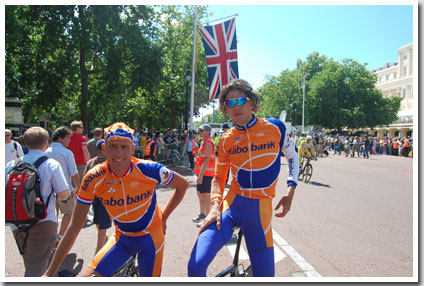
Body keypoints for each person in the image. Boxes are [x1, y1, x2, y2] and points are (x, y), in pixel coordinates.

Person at [43, 122, 189, 277]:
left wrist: (164, 218)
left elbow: (183, 185)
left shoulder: (150, 169)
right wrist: (49, 273)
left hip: (151, 240)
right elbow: (74, 228)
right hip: (122, 239)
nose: (119, 153)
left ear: (132, 149)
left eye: (124, 147)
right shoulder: (93, 177)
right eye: (113, 146)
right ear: (104, 149)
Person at [187, 79, 299, 277]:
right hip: (230, 209)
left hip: (260, 215)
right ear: (225, 109)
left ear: (251, 103)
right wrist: (214, 206)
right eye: (229, 103)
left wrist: (290, 191)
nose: (235, 107)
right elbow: (219, 177)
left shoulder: (275, 128)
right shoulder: (227, 138)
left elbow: (292, 157)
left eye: (240, 101)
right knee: (195, 266)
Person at [6, 127, 70, 276]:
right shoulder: (51, 164)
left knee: (29, 261)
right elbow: (63, 194)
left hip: (16, 221)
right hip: (43, 220)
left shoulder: (11, 166)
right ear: (46, 143)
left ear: (25, 143)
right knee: (37, 267)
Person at [45, 126, 80, 241]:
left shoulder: (46, 152)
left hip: (48, 189)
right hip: (64, 188)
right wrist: (78, 186)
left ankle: (51, 235)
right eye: (68, 138)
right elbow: (73, 172)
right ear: (61, 138)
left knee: (51, 214)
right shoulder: (67, 152)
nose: (69, 140)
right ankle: (60, 235)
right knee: (69, 212)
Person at [83, 139, 111, 254]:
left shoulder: (91, 162)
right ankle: (99, 249)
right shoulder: (110, 161)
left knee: (98, 220)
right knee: (102, 221)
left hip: (95, 195)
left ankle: (101, 243)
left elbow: (85, 178)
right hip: (107, 195)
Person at [192, 124, 216, 228]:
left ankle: (208, 218)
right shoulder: (205, 142)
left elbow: (206, 159)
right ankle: (202, 215)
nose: (200, 132)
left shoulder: (208, 143)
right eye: (200, 130)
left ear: (208, 131)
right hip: (203, 173)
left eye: (202, 130)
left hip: (206, 174)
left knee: (205, 195)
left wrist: (201, 175)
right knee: (200, 193)